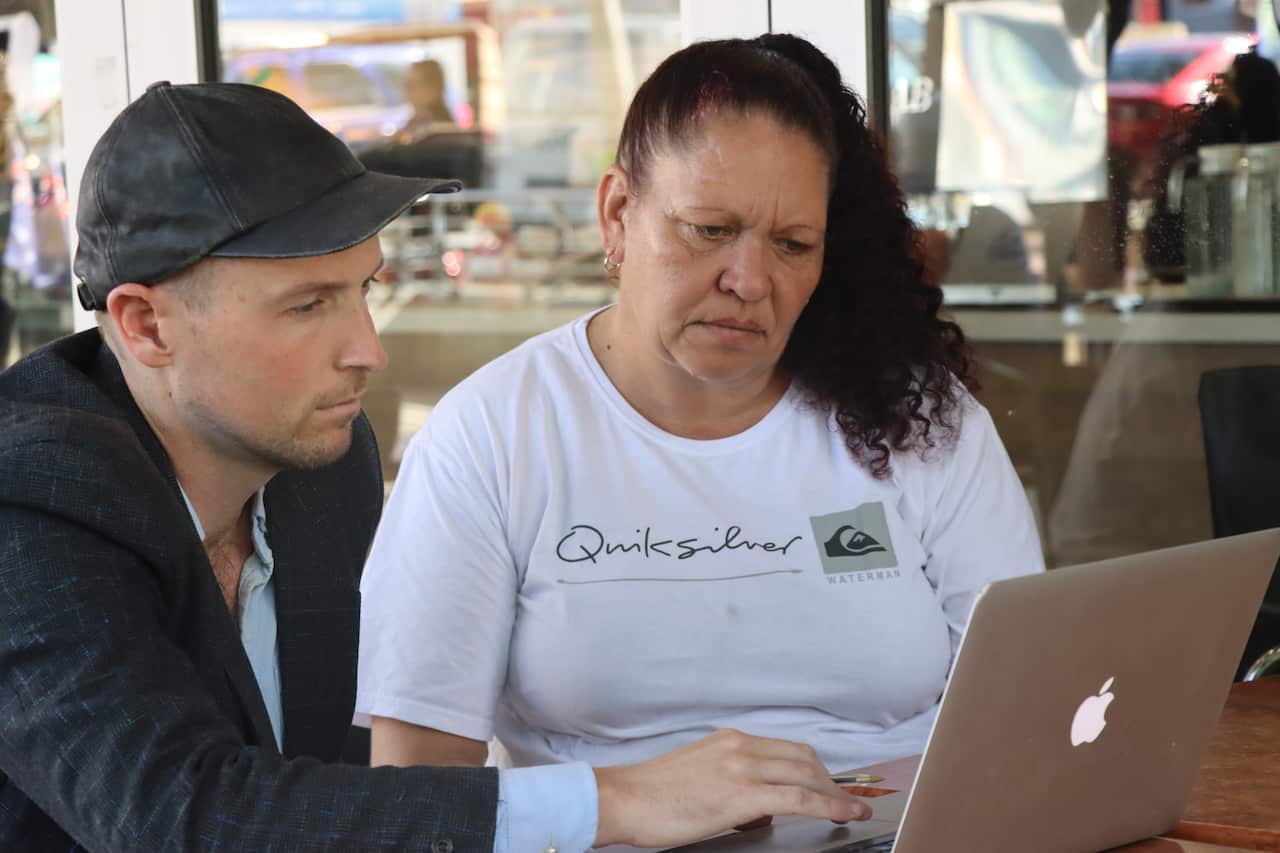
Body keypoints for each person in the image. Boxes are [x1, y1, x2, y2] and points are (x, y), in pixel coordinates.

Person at [0, 80, 869, 853]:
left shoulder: (320, 465)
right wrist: (619, 799)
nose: (367, 351)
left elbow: (343, 804)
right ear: (146, 326)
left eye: (364, 289)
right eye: (307, 306)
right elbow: (184, 817)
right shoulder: (32, 502)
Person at [356, 34, 1045, 780]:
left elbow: (1028, 706)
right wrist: (630, 808)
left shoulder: (916, 422)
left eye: (792, 243)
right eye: (709, 230)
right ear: (618, 213)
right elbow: (418, 786)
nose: (749, 279)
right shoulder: (491, 436)